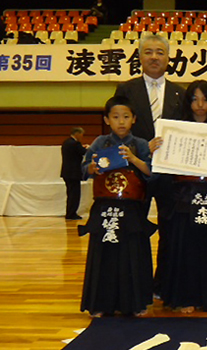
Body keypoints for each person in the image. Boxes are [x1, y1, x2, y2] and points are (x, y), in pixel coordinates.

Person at [150, 80, 207, 313]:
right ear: (188, 101)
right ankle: (184, 297)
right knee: (186, 250)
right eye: (195, 98)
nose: (200, 104)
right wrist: (157, 150)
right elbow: (163, 170)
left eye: (206, 99)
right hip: (183, 198)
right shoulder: (175, 130)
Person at [114, 34, 185, 298]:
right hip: (136, 172)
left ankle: (163, 285)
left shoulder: (181, 93)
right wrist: (144, 148)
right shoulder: (126, 90)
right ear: (140, 57)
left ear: (168, 58)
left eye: (160, 52)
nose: (154, 57)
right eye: (148, 52)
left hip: (170, 174)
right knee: (134, 228)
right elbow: (117, 132)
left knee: (171, 229)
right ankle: (137, 284)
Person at [79, 96, 155, 317]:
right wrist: (92, 167)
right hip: (105, 206)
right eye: (115, 117)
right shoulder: (100, 142)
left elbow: (152, 172)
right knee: (105, 254)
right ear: (107, 119)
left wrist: (133, 158)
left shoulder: (140, 144)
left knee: (132, 254)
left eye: (126, 117)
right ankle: (101, 303)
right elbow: (84, 168)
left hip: (132, 207)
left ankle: (135, 303)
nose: (121, 121)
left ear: (134, 119)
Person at [61, 127, 87, 220]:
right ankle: (72, 214)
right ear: (77, 134)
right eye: (81, 135)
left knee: (70, 194)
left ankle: (70, 213)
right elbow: (84, 152)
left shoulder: (66, 142)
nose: (82, 137)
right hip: (73, 173)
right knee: (74, 195)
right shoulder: (75, 143)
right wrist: (88, 148)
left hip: (66, 172)